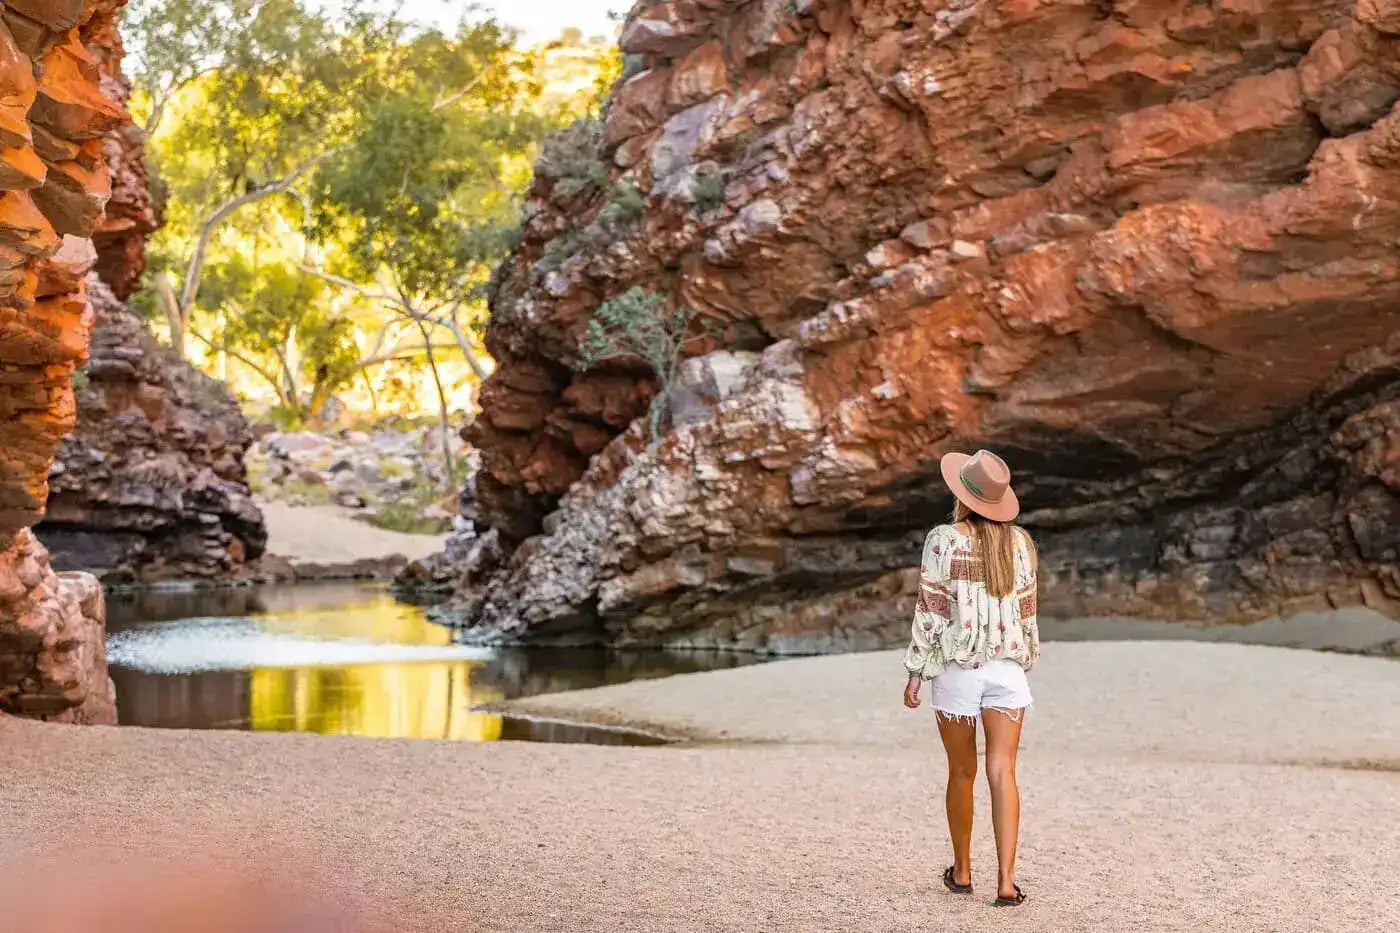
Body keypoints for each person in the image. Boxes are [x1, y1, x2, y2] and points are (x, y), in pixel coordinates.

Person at [902, 448, 1039, 907]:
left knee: (962, 772)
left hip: (959, 672)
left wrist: (917, 671)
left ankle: (961, 873)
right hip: (1007, 673)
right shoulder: (1020, 543)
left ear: (962, 495)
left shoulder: (943, 539)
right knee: (1004, 771)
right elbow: (1027, 610)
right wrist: (1026, 659)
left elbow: (932, 608)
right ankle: (1005, 882)